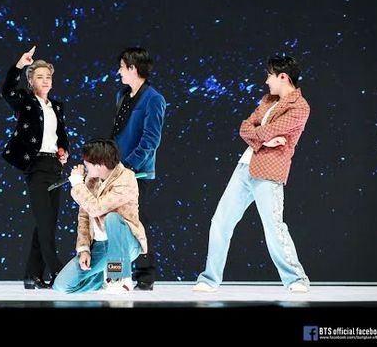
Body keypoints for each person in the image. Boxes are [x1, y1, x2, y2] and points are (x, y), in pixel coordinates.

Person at [193, 55, 311, 293]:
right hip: (244, 167)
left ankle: (296, 279)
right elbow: (245, 127)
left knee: (274, 228)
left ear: (283, 77)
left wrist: (261, 134)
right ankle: (209, 279)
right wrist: (264, 140)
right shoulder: (268, 100)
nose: (266, 81)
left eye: (269, 76)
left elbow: (270, 130)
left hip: (269, 170)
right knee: (220, 222)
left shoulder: (300, 107)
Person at [1, 46, 70, 289]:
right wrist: (19, 65)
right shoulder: (26, 102)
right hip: (36, 165)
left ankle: (32, 274)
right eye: (40, 77)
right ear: (30, 81)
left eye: (48, 77)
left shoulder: (56, 106)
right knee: (45, 221)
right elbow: (7, 91)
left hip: (54, 166)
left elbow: (61, 135)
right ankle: (57, 270)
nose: (45, 81)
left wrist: (64, 150)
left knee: (47, 222)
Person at [52, 139, 147, 293]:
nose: (84, 165)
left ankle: (118, 277)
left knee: (112, 218)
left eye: (87, 162)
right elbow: (84, 216)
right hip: (101, 245)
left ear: (100, 164)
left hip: (126, 241)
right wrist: (84, 249)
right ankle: (102, 279)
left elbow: (96, 208)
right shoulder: (91, 180)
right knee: (62, 286)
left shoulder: (126, 179)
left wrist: (77, 184)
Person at [111, 47, 166, 290]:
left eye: (122, 67)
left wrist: (129, 166)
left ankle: (145, 274)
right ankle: (116, 273)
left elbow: (151, 140)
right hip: (116, 170)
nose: (119, 72)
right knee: (113, 222)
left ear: (133, 68)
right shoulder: (122, 95)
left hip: (136, 172)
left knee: (137, 221)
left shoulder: (153, 99)